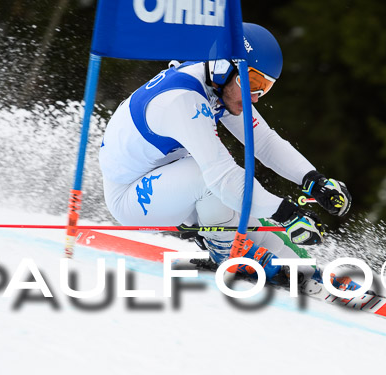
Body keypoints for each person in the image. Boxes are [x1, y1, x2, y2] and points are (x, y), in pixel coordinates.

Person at [98, 22, 351, 284]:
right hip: (131, 198)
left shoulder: (217, 85)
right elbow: (221, 177)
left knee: (258, 225)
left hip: (166, 181)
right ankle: (227, 255)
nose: (255, 97)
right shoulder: (184, 100)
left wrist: (313, 180)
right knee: (215, 180)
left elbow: (263, 141)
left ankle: (306, 271)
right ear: (223, 67)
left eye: (265, 87)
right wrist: (286, 213)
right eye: (253, 82)